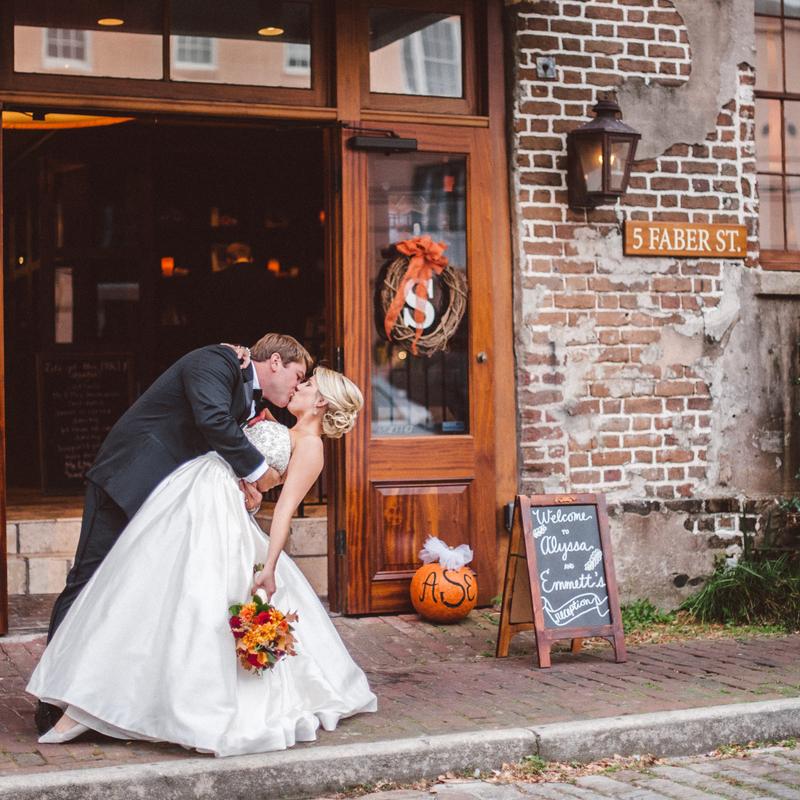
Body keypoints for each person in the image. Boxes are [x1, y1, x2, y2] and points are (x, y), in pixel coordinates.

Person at [27, 367, 377, 757]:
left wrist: (269, 566)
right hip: (191, 493)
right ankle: (94, 695)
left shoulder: (311, 448)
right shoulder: (280, 426)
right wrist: (251, 489)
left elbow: (284, 511)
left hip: (216, 512)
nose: (299, 386)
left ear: (321, 401)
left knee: (192, 601)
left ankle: (162, 704)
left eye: (307, 384)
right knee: (146, 590)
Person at [36, 333, 312, 735]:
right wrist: (258, 473)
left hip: (168, 504)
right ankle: (51, 697)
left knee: (135, 597)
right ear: (274, 362)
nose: (297, 386)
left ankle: (113, 696)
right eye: (297, 375)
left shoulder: (250, 398)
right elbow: (212, 420)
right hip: (127, 483)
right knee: (88, 582)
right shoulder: (216, 362)